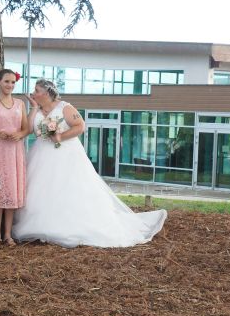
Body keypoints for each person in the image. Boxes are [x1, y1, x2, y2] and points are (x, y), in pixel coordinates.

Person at [13, 79, 167, 248]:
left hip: (65, 153)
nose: (33, 93)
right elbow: (28, 129)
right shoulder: (36, 109)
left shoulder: (64, 107)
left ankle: (67, 225)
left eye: (36, 90)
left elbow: (80, 126)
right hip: (40, 153)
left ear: (47, 92)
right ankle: (39, 223)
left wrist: (59, 136)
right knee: (39, 188)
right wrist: (34, 109)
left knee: (66, 187)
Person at [0, 69, 28, 247]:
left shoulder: (20, 104)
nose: (10, 85)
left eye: (13, 82)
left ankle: (8, 234)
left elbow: (26, 128)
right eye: (6, 81)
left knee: (11, 191)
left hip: (15, 150)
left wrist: (19, 134)